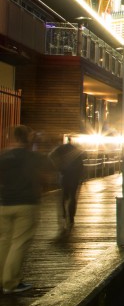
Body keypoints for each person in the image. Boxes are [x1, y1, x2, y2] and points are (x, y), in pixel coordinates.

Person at [0, 125, 48, 294]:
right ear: (28, 137)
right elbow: (47, 170)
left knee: (4, 241)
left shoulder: (4, 155)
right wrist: (36, 144)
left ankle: (2, 278)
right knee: (19, 242)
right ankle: (10, 282)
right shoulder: (32, 156)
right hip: (26, 204)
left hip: (5, 204)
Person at [48, 137, 85, 233]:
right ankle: (71, 217)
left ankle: (64, 216)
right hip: (75, 176)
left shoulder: (60, 149)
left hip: (64, 175)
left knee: (64, 196)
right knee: (72, 197)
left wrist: (58, 166)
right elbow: (81, 165)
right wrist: (81, 176)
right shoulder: (76, 150)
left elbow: (51, 155)